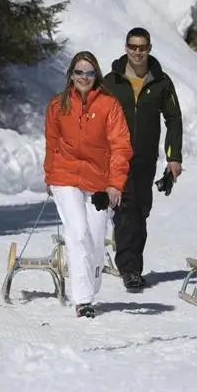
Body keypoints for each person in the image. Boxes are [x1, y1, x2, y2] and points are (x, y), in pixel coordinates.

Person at [44, 51, 133, 318]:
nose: (84, 77)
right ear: (71, 75)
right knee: (78, 232)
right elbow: (51, 143)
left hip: (98, 181)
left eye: (89, 73)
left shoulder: (109, 105)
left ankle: (91, 284)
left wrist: (115, 184)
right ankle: (82, 300)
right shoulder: (58, 106)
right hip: (65, 176)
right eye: (79, 72)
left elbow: (121, 146)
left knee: (95, 240)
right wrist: (50, 175)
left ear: (97, 76)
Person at [103, 27, 183, 292]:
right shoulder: (111, 80)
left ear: (149, 48)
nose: (138, 52)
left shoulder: (161, 81)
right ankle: (130, 269)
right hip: (117, 155)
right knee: (125, 207)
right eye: (133, 46)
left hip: (146, 157)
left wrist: (174, 157)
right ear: (126, 47)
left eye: (142, 47)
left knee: (141, 208)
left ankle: (130, 260)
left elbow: (173, 119)